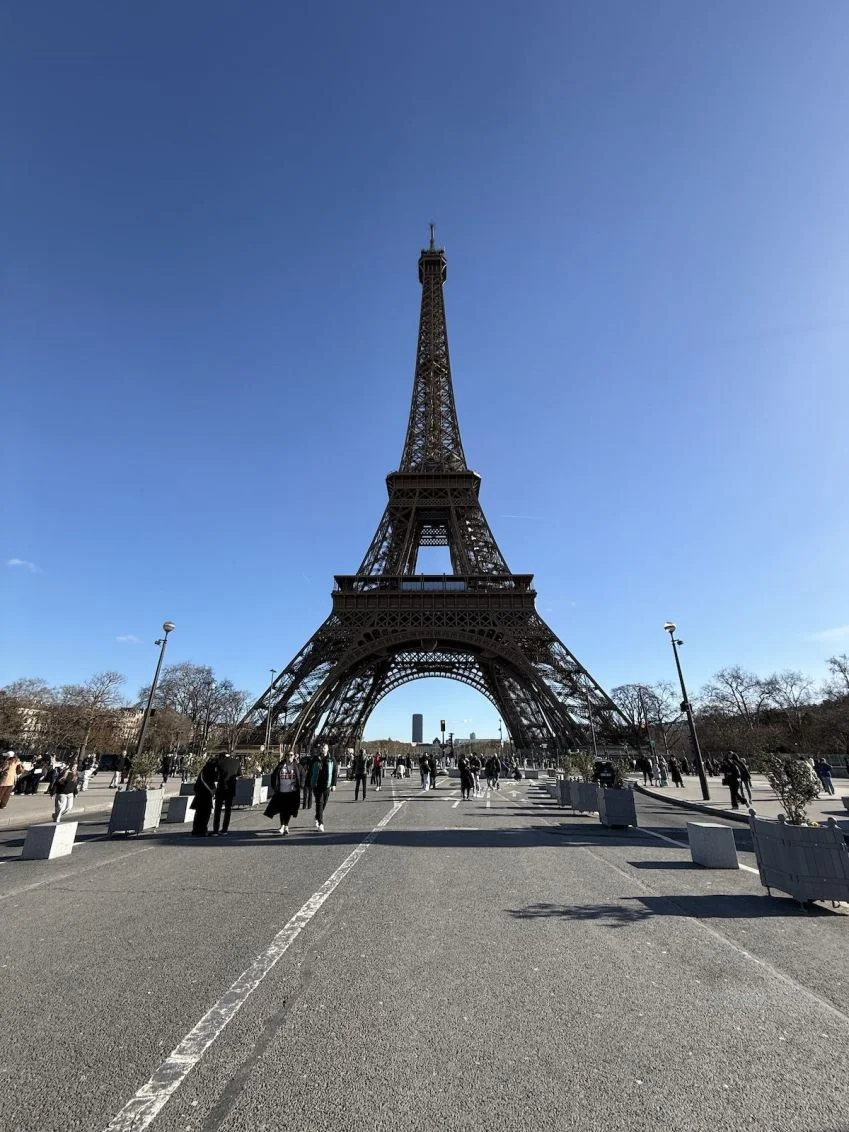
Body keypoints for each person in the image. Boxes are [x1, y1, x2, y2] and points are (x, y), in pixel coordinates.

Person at [265, 751, 305, 834]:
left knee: (288, 810)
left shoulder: (297, 766)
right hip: (281, 791)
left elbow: (303, 775)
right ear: (285, 756)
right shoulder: (280, 765)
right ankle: (283, 826)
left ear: (294, 756)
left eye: (291, 755)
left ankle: (285, 825)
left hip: (292, 792)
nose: (289, 756)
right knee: (282, 809)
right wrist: (275, 786)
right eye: (288, 755)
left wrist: (300, 786)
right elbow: (274, 775)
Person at [213, 750, 241, 836]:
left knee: (217, 809)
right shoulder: (236, 762)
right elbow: (239, 774)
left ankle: (215, 830)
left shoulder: (220, 762)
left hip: (221, 788)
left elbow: (216, 776)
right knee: (228, 810)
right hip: (231, 788)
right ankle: (225, 829)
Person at [310, 744, 337, 832]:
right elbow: (310, 771)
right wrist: (310, 783)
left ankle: (317, 816)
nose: (322, 749)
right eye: (321, 748)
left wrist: (334, 784)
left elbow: (334, 772)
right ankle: (321, 823)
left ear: (327, 749)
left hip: (327, 785)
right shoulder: (315, 759)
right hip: (317, 785)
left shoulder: (331, 759)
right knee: (319, 803)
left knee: (323, 804)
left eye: (324, 748)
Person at [191, 755, 218, 836]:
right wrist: (214, 790)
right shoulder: (210, 769)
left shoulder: (206, 768)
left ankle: (196, 829)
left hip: (200, 792)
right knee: (205, 813)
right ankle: (202, 830)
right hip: (205, 793)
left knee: (199, 813)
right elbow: (213, 780)